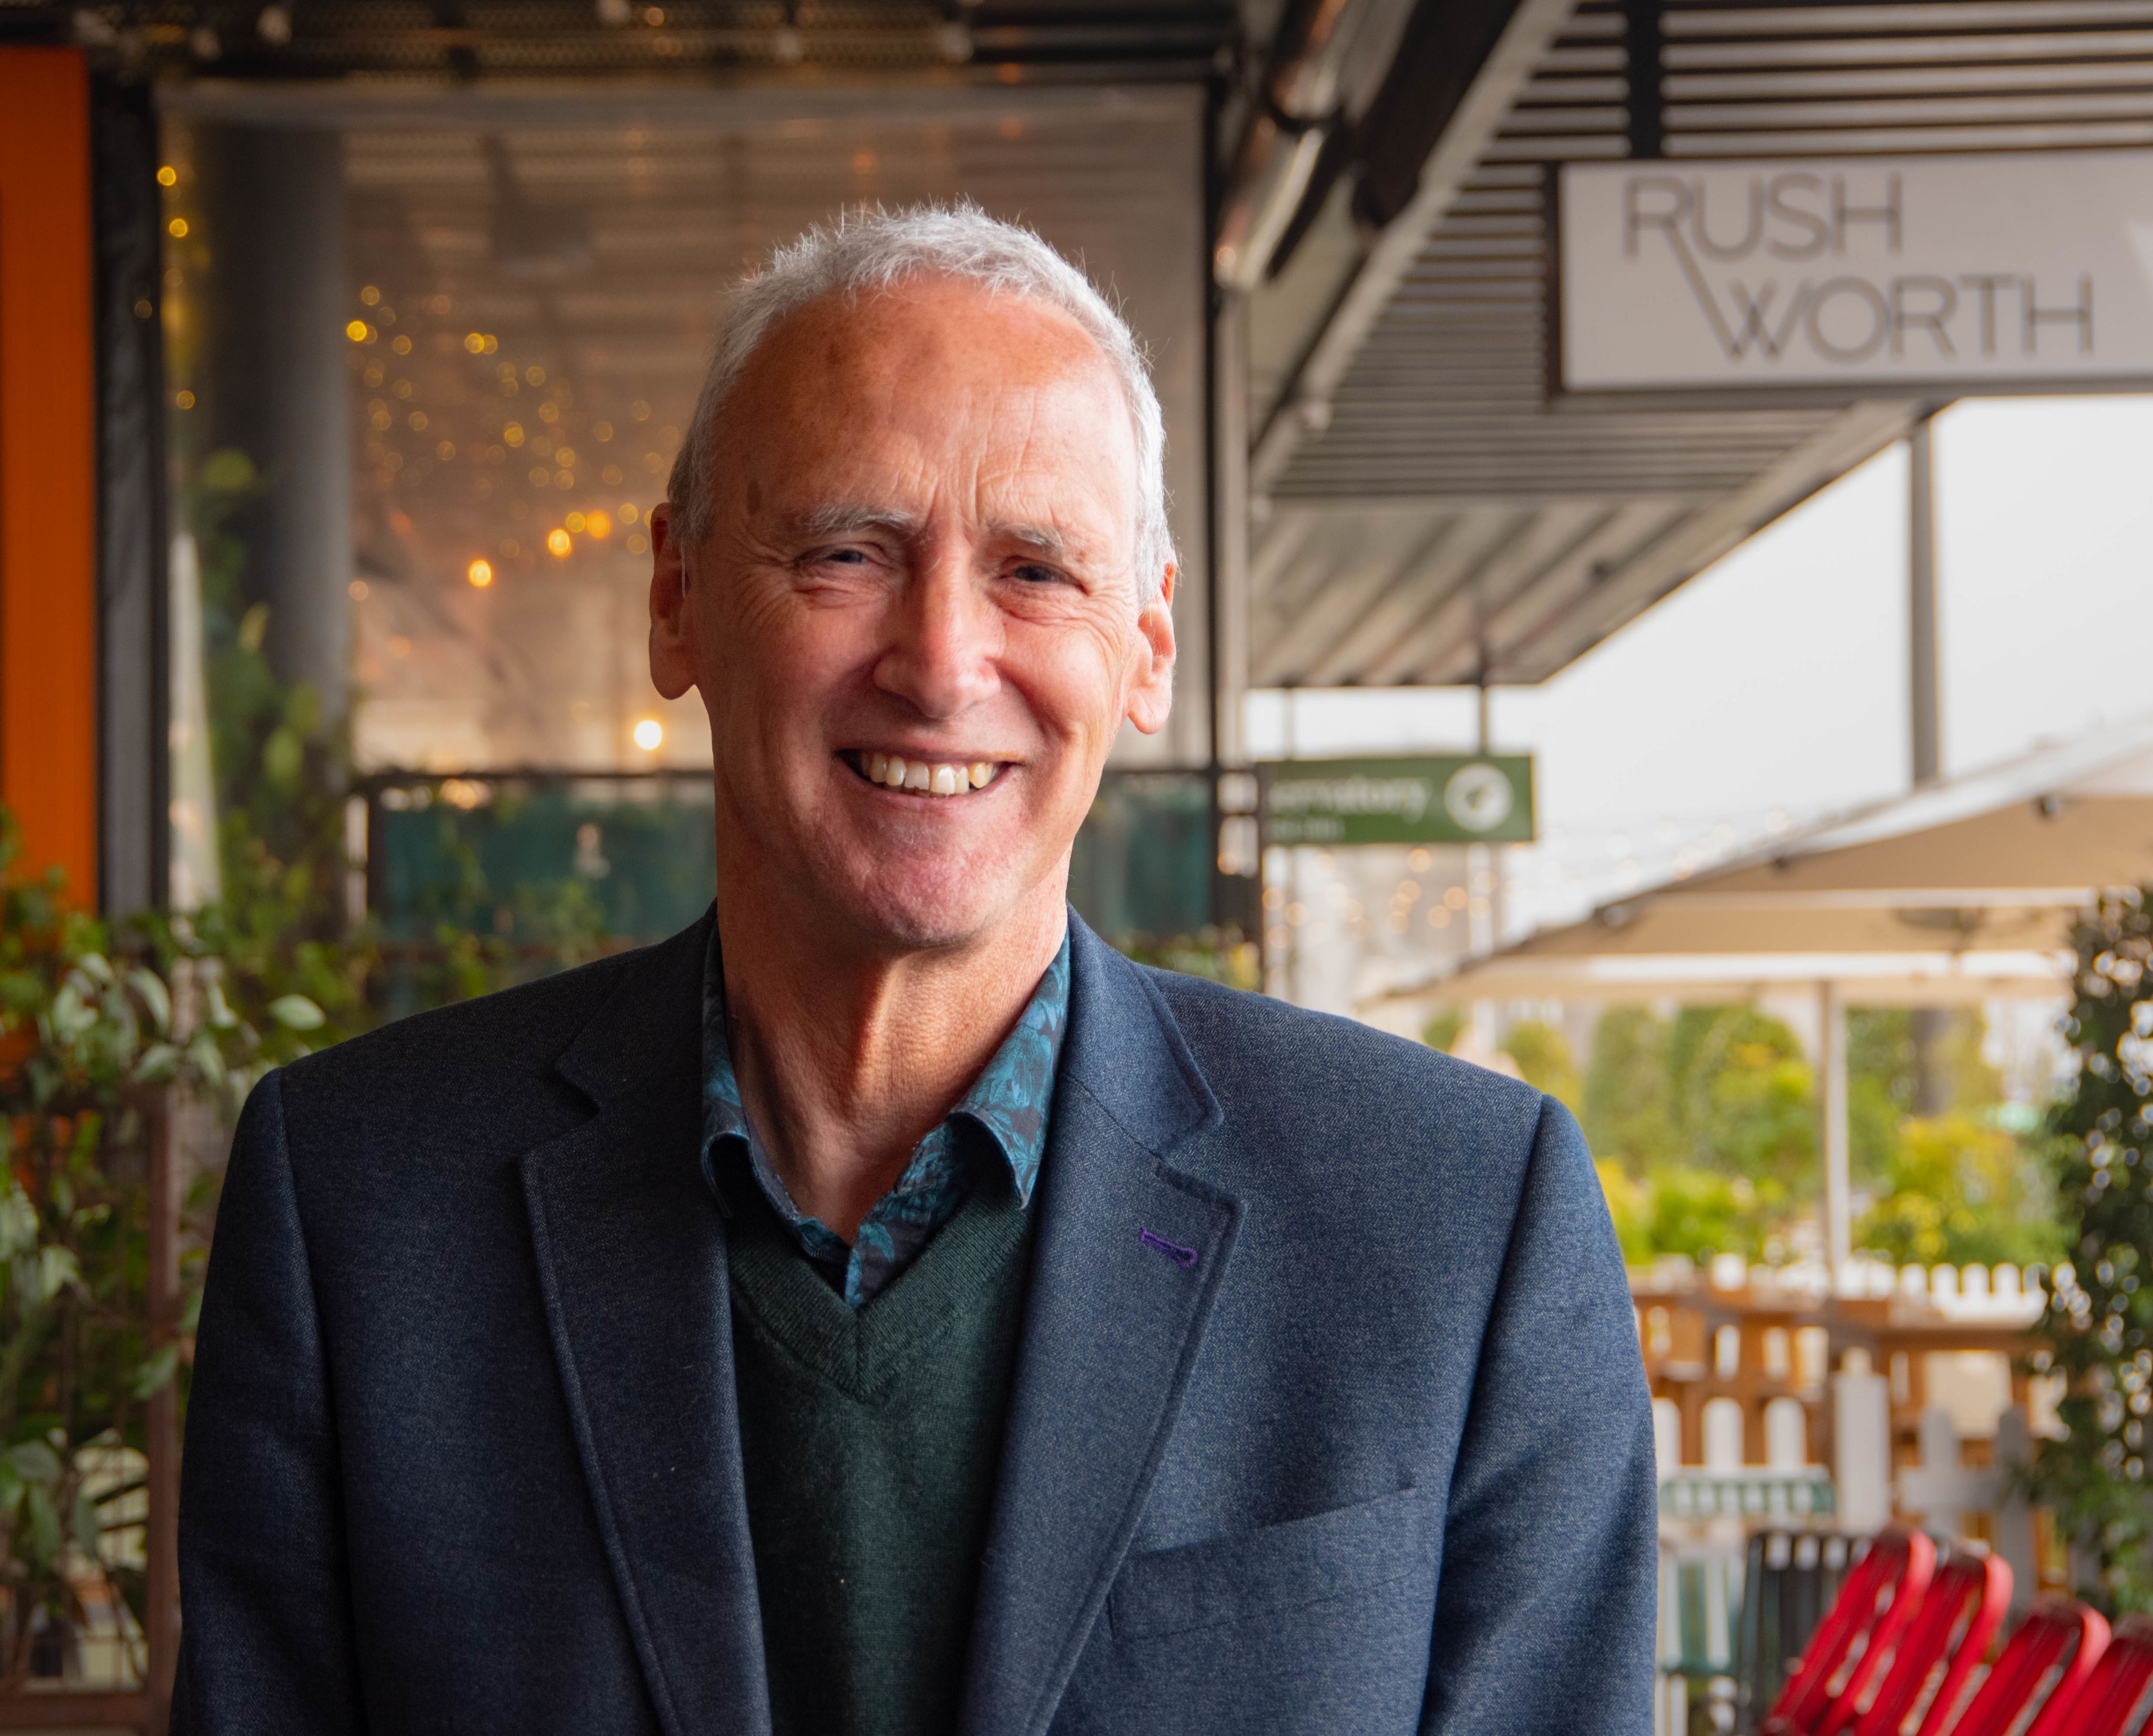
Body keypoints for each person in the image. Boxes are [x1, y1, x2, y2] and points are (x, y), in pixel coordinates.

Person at [175, 204, 1655, 1735]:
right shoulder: (359, 1205)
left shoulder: (1457, 1225)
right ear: (677, 597)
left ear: (1146, 642)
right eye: (846, 551)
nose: (943, 662)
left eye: (1036, 569)